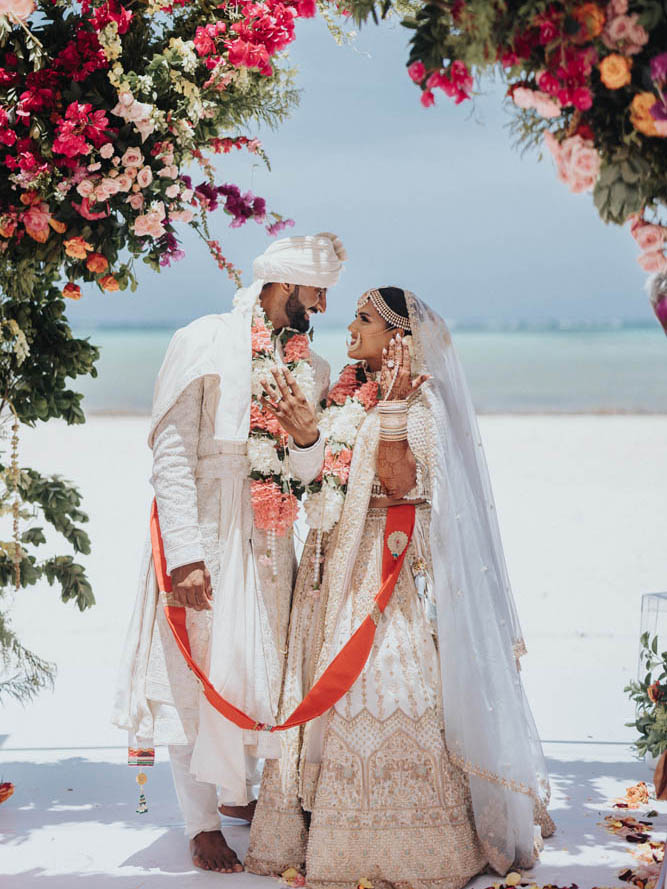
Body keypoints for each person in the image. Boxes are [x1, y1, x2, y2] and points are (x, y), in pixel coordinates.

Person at [246, 287, 554, 888]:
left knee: (388, 690)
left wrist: (391, 412)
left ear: (400, 339)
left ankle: (410, 841)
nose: (350, 329)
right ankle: (315, 825)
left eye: (365, 320)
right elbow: (319, 491)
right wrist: (308, 437)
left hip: (390, 574)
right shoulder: (341, 399)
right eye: (356, 317)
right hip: (333, 568)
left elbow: (405, 487)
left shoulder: (421, 403)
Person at [112, 233, 346, 873]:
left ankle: (243, 790)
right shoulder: (202, 340)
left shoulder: (314, 370)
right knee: (196, 671)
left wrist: (303, 439)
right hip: (209, 528)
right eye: (314, 290)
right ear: (281, 284)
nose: (322, 305)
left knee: (264, 668)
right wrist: (184, 554)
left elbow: (310, 472)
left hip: (273, 537)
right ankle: (201, 822)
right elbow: (171, 454)